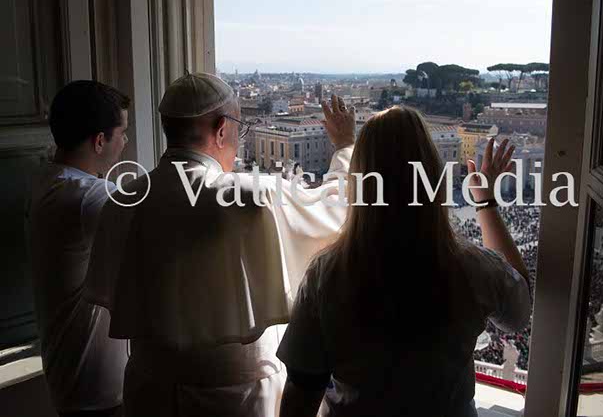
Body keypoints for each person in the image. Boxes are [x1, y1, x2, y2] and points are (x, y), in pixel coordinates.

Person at [84, 72, 356, 417]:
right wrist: (345, 147)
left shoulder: (122, 201)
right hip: (235, 398)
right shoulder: (252, 196)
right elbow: (337, 210)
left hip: (148, 392)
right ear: (222, 129)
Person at [276, 106, 531, 417]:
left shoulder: (326, 275)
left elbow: (301, 396)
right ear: (434, 176)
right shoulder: (474, 267)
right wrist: (485, 201)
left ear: (359, 183)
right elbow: (519, 311)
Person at [25, 80, 131, 416]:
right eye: (122, 133)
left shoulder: (49, 179)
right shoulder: (88, 197)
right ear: (99, 141)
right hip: (99, 387)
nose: (125, 142)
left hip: (69, 374)